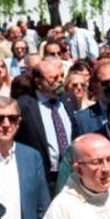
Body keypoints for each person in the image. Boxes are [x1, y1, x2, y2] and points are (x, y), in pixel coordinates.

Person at [13, 58, 81, 194]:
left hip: (72, 175)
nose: (60, 81)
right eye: (53, 78)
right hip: (43, 178)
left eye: (62, 76)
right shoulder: (24, 106)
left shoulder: (68, 100)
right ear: (38, 82)